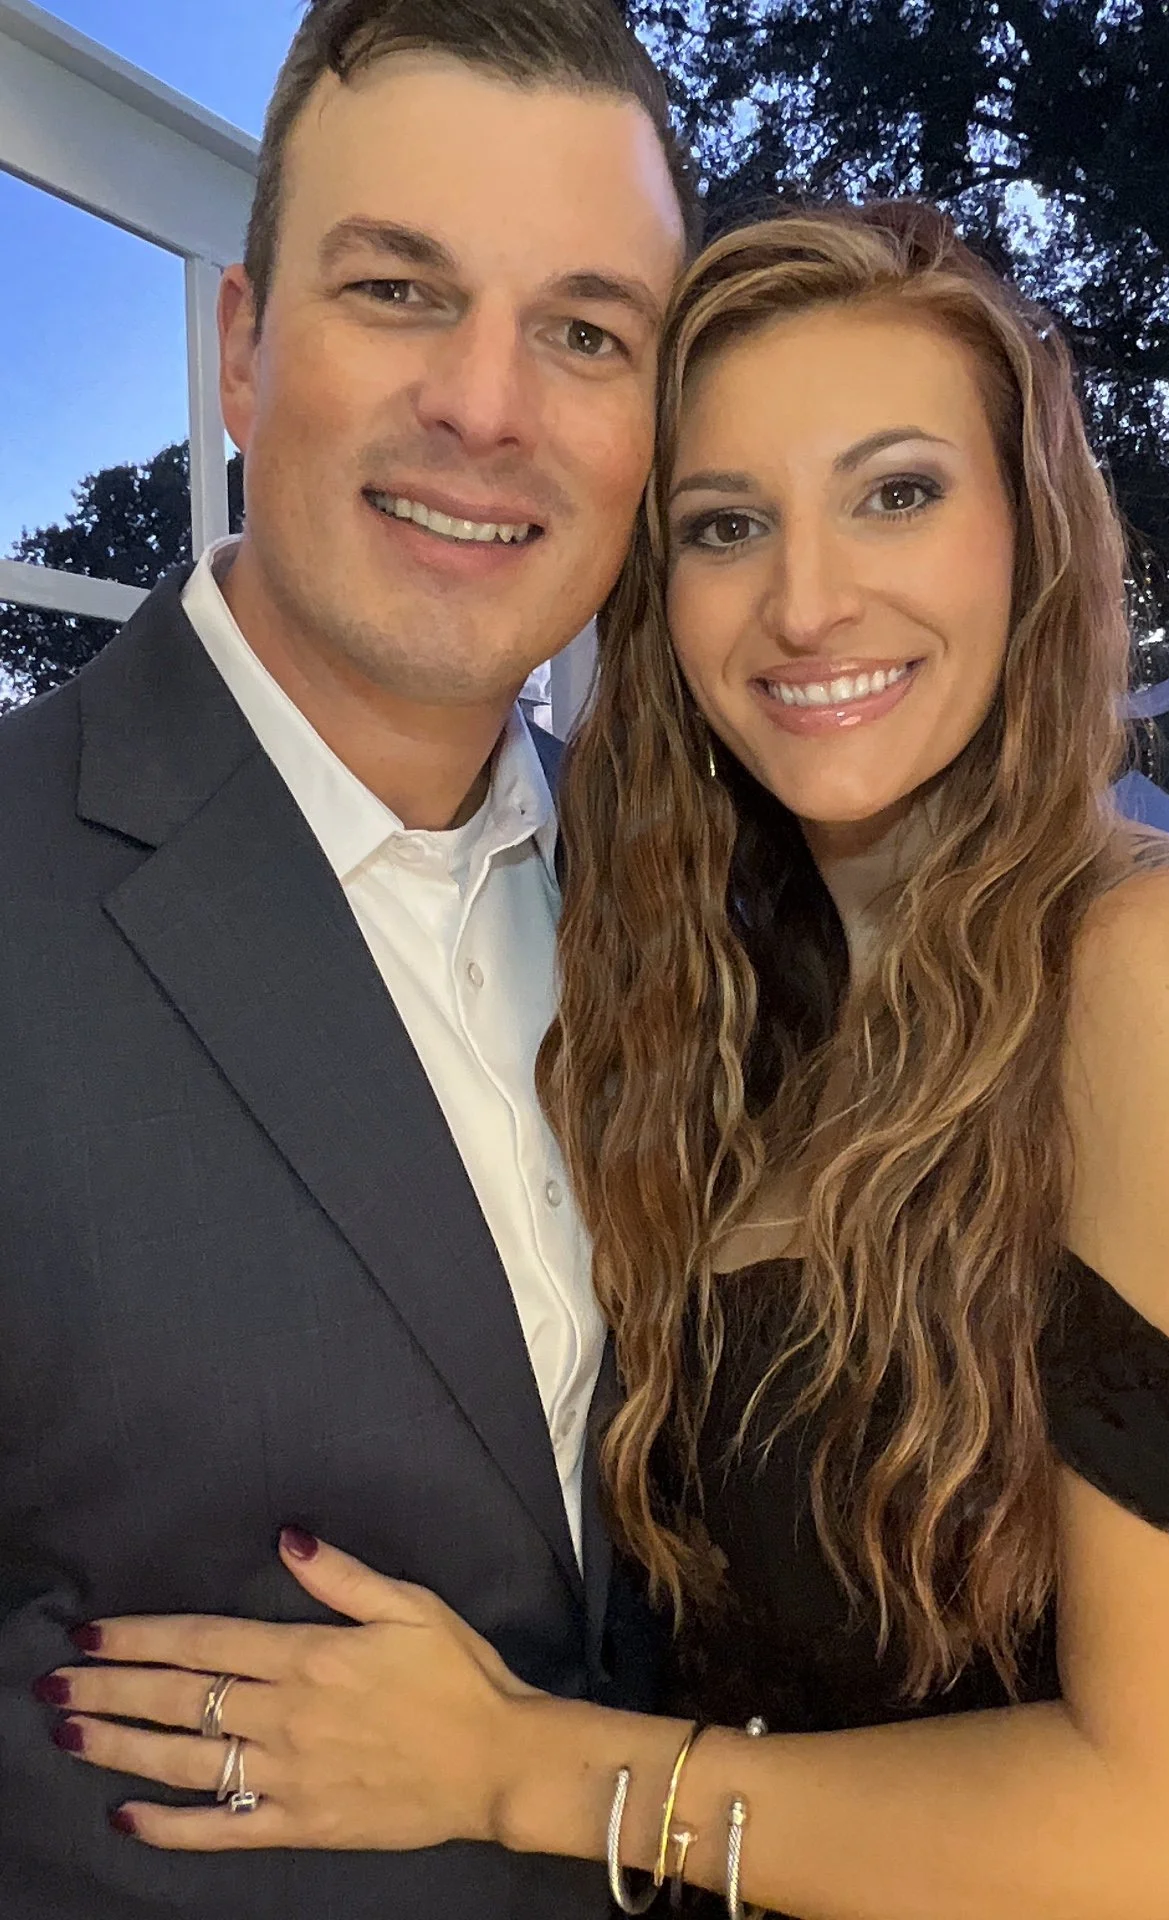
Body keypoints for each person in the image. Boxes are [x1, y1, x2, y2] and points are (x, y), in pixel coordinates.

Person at [37, 205, 1169, 1920]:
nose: (808, 600)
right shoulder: (729, 1000)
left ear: (1030, 535)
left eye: (898, 492)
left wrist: (514, 1769)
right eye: (726, 525)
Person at [1, 3, 692, 1917]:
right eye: (400, 290)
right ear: (243, 346)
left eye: (584, 331)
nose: (486, 404)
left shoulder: (693, 897)